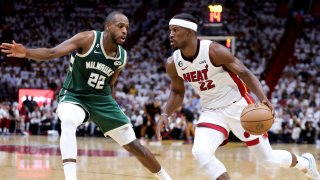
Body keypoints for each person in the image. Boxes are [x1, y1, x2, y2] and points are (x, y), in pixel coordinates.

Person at [1, 11, 171, 180]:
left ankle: (166, 178)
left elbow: (111, 83)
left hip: (102, 100)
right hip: (75, 96)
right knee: (68, 121)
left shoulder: (122, 57)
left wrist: (112, 108)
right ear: (108, 27)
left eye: (127, 27)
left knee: (135, 145)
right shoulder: (88, 39)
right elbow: (52, 53)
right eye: (120, 26)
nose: (125, 31)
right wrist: (27, 52)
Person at [156, 13, 320, 180]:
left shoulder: (214, 50)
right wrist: (165, 113)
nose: (171, 34)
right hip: (211, 111)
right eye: (170, 30)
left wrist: (263, 98)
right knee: (200, 151)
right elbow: (177, 92)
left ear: (190, 32)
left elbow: (244, 72)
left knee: (267, 160)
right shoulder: (173, 63)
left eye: (175, 30)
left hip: (238, 106)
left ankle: (305, 163)